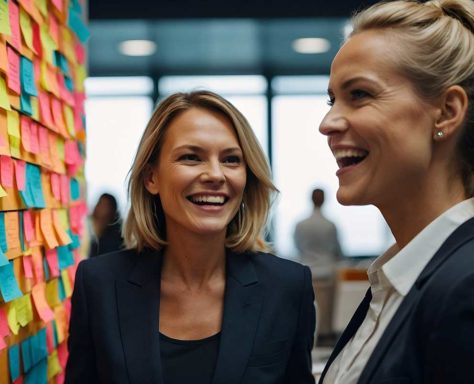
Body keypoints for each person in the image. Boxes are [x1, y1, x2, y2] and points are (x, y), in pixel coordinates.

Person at [318, 1, 474, 383]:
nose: (327, 123)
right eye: (333, 100)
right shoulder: (398, 284)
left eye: (360, 94)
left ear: (447, 111)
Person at [66, 90, 316, 383]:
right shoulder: (99, 284)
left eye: (231, 159)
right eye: (191, 157)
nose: (215, 174)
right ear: (151, 178)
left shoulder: (287, 286)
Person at [294, 187, 343, 278]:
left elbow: (297, 247)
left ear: (311, 199)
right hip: (327, 273)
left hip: (306, 271)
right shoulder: (330, 225)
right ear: (324, 200)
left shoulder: (300, 225)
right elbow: (337, 251)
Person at [89, 193, 124, 257]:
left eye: (105, 205)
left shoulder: (116, 235)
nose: (100, 207)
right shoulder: (88, 225)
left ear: (112, 210)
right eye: (99, 203)